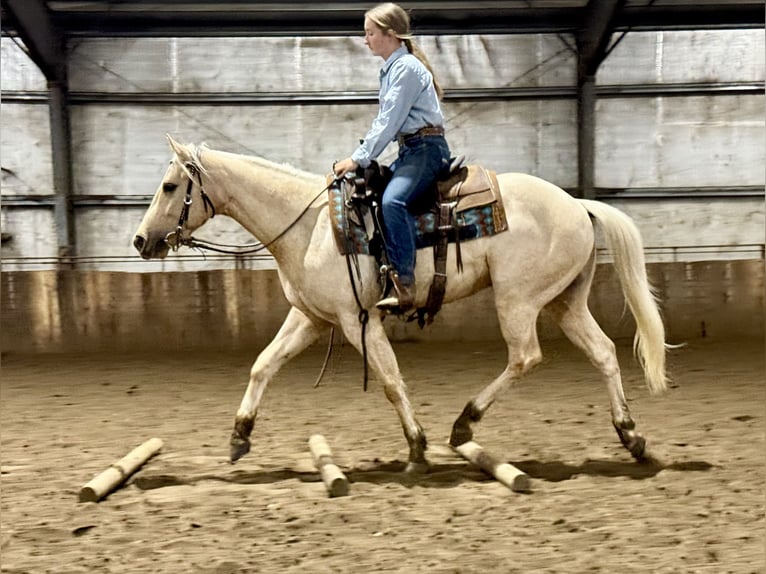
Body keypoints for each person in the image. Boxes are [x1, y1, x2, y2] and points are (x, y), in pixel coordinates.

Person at [333, 2, 451, 312]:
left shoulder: (407, 69)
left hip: (426, 150)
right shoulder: (392, 70)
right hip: (411, 150)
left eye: (370, 33)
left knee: (392, 202)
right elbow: (387, 121)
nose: (365, 39)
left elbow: (389, 121)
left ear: (390, 34)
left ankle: (406, 283)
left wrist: (358, 158)